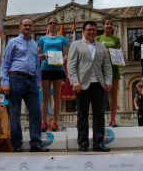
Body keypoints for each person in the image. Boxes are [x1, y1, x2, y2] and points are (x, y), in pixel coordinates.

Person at [0, 19, 49, 152]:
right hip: (15, 78)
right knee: (15, 112)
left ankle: (36, 143)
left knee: (36, 112)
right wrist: (4, 82)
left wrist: (38, 81)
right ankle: (17, 144)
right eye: (25, 25)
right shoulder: (13, 42)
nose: (27, 27)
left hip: (32, 80)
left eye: (30, 25)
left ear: (33, 27)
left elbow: (36, 64)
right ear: (20, 27)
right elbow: (5, 63)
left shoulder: (34, 44)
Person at [67, 20, 113, 152]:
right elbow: (71, 65)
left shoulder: (101, 47)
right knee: (82, 114)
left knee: (99, 114)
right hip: (82, 84)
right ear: (83, 31)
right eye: (89, 29)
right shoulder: (75, 45)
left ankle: (98, 143)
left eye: (94, 30)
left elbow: (107, 66)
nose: (92, 32)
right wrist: (74, 81)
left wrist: (108, 80)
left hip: (98, 84)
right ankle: (83, 143)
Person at [38, 17, 69, 132]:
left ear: (57, 26)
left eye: (54, 23)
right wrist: (44, 55)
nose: (52, 25)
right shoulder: (42, 39)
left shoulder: (63, 39)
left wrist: (62, 59)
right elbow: (37, 53)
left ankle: (55, 122)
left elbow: (66, 54)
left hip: (58, 69)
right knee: (45, 97)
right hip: (45, 69)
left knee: (57, 97)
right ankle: (44, 123)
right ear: (48, 25)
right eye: (50, 23)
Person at [97, 17, 121, 127]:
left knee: (113, 95)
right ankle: (99, 119)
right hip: (100, 70)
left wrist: (109, 51)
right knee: (100, 96)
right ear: (103, 25)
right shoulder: (98, 38)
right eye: (107, 24)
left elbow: (119, 55)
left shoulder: (116, 40)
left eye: (111, 24)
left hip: (114, 69)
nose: (109, 26)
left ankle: (112, 119)